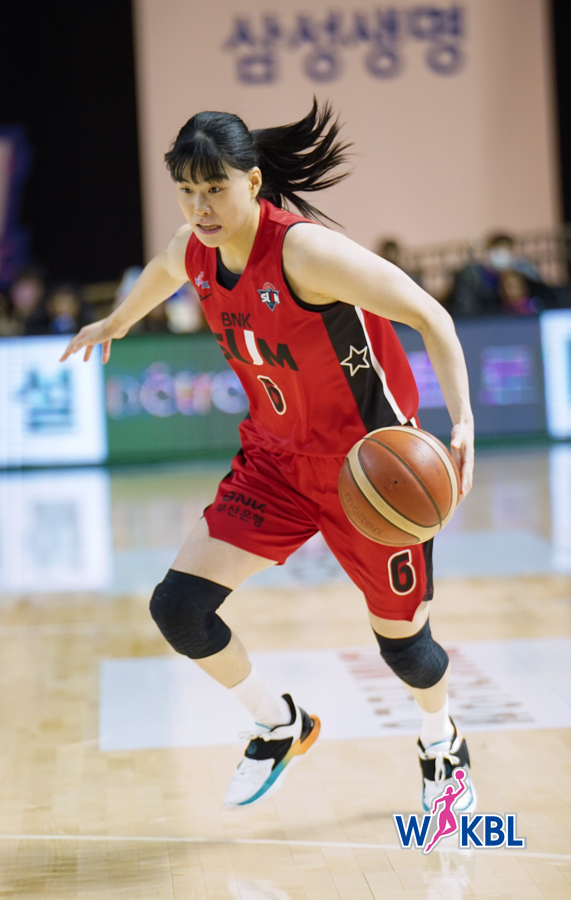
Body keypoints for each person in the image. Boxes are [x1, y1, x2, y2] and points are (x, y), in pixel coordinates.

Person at [61, 101, 476, 814]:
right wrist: (118, 321)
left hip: (366, 470)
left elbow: (430, 316)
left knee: (406, 649)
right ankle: (279, 722)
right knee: (178, 608)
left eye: (214, 188)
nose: (200, 208)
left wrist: (463, 421)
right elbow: (163, 270)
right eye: (186, 191)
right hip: (275, 462)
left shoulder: (305, 254)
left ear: (252, 183)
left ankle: (441, 739)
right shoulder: (195, 248)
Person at [450, 232, 545, 318]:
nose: (502, 256)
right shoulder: (474, 275)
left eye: (506, 252)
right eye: (498, 251)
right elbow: (465, 308)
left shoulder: (518, 272)